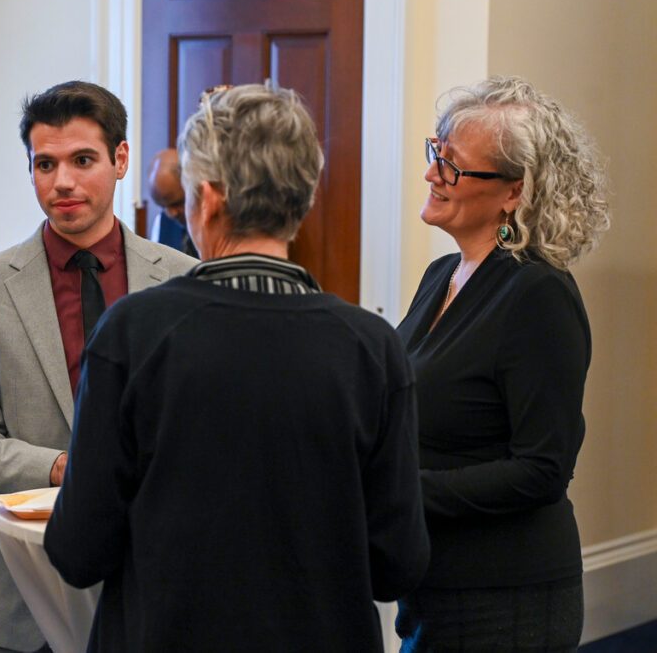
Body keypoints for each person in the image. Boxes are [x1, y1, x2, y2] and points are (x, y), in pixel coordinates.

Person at [43, 82, 430, 652]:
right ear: (303, 197)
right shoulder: (371, 347)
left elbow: (79, 550)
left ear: (208, 200)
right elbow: (398, 565)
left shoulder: (133, 332)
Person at [0, 80, 197, 653]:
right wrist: (66, 467)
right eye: (45, 164)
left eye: (82, 160)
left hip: (157, 582)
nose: (62, 182)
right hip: (22, 592)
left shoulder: (184, 279)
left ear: (120, 159)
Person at [394, 75, 611, 651]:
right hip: (434, 584)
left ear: (514, 192)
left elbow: (542, 468)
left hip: (506, 599)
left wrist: (399, 490)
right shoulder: (442, 275)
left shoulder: (538, 293)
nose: (432, 174)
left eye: (453, 166)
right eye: (435, 153)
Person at [146, 147, 199, 257]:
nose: (171, 214)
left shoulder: (214, 222)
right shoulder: (161, 223)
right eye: (163, 206)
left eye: (177, 203)